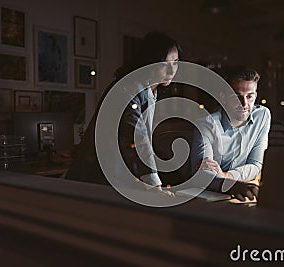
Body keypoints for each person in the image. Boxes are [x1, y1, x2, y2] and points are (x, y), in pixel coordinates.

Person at [66, 31, 181, 196]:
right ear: (150, 62)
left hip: (116, 175)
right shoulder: (129, 88)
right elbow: (136, 135)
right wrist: (155, 186)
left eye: (175, 62)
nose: (172, 70)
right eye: (165, 63)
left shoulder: (150, 90)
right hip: (98, 178)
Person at [190, 68, 271, 201]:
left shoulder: (262, 116)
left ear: (255, 95)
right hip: (208, 200)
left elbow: (256, 165)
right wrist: (229, 185)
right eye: (237, 97)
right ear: (223, 97)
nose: (244, 104)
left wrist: (225, 175)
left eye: (249, 96)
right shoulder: (206, 125)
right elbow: (202, 175)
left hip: (241, 193)